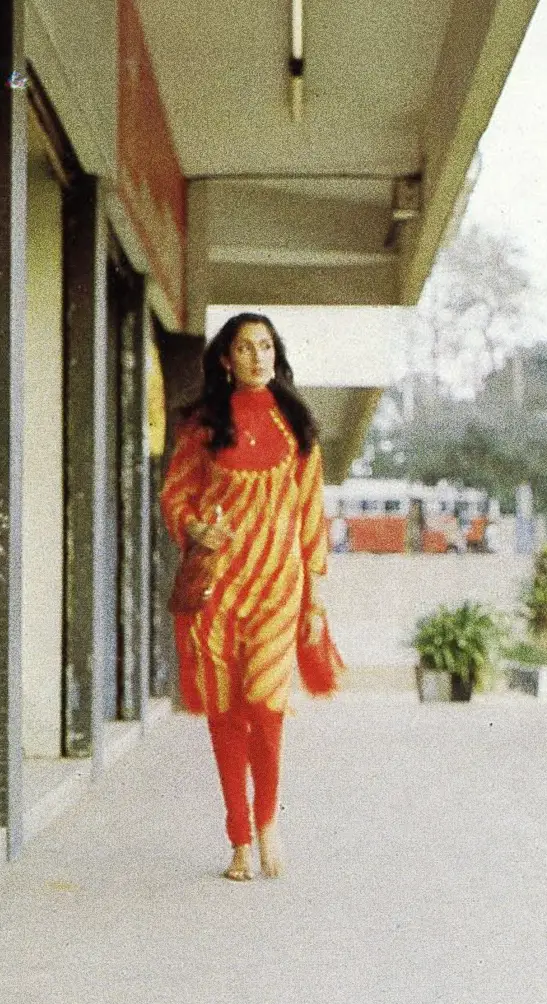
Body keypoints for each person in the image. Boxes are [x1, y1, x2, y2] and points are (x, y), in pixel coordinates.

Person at [161, 313, 331, 882]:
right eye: (245, 347)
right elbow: (176, 495)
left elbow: (311, 518)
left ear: (275, 355)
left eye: (266, 346)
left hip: (279, 588)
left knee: (267, 705)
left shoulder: (297, 426)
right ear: (225, 359)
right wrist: (193, 527)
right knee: (227, 711)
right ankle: (238, 840)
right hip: (219, 588)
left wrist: (314, 603)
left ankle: (268, 822)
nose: (258, 357)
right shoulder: (203, 425)